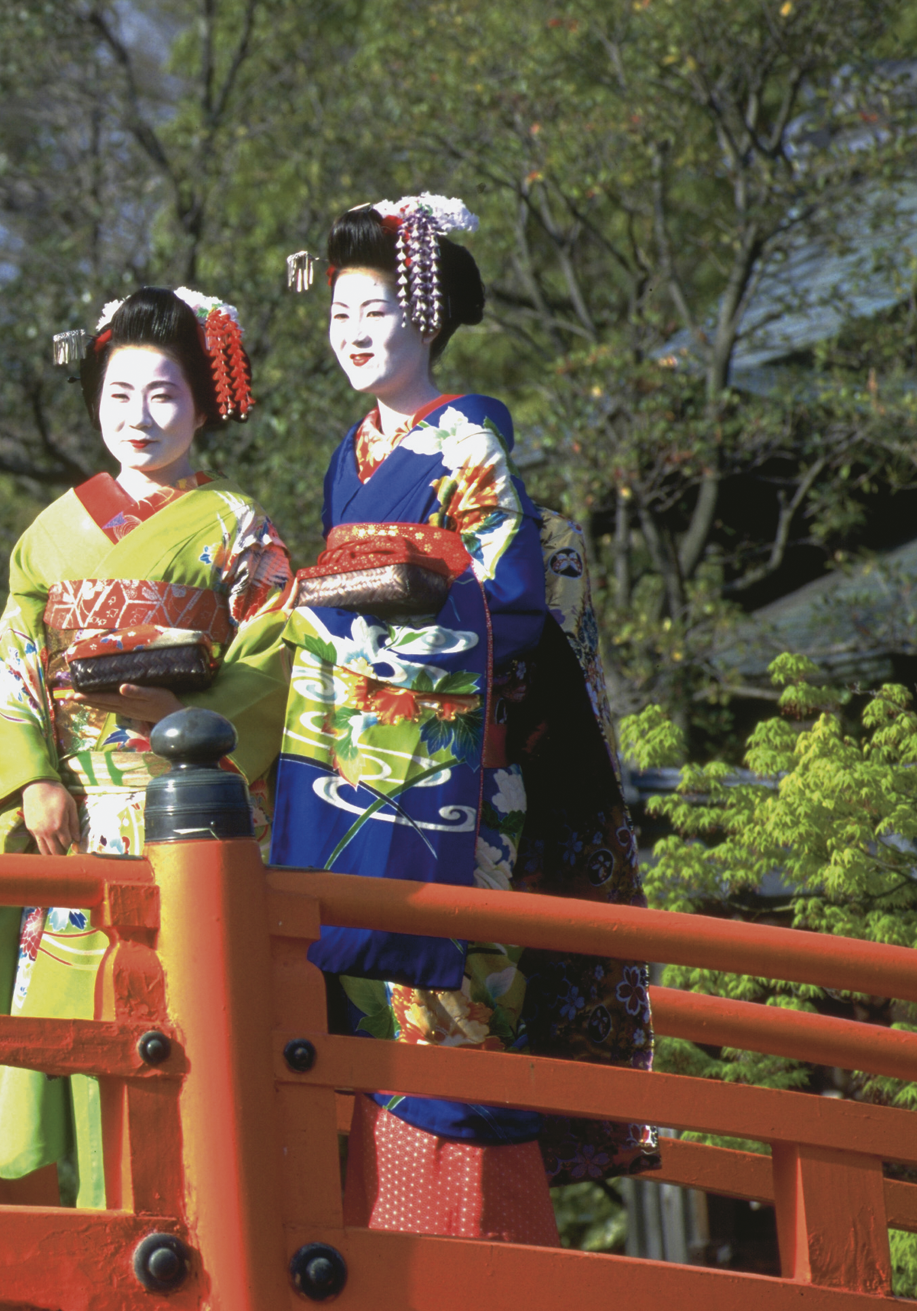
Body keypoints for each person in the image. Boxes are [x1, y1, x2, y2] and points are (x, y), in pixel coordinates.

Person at [272, 196, 656, 1244]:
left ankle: (478, 1257)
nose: (353, 332)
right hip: (357, 766)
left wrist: (387, 607)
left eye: (378, 310)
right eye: (340, 312)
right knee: (363, 988)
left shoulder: (466, 439)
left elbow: (514, 604)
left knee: (456, 1006)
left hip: (453, 775)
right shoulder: (350, 450)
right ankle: (389, 1237)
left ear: (428, 319)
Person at [0, 285, 293, 1207]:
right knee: (81, 1043)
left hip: (187, 804)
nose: (139, 417)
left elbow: (277, 655)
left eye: (162, 395)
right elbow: (14, 667)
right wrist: (32, 780)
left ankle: (194, 1216)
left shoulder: (238, 527)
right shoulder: (50, 534)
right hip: (73, 810)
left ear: (201, 402)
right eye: (118, 395)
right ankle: (102, 1221)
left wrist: (187, 719)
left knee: (191, 1031)